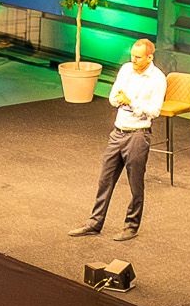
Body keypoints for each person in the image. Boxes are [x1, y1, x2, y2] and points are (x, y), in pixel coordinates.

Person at [70, 37, 166, 241]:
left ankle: (131, 225)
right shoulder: (126, 70)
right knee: (105, 180)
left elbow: (155, 110)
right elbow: (113, 96)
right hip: (118, 132)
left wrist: (131, 103)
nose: (134, 60)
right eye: (132, 55)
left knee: (135, 183)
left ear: (150, 57)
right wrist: (119, 100)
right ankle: (94, 223)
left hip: (138, 135)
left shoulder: (157, 79)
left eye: (138, 57)